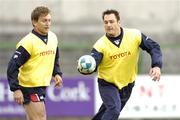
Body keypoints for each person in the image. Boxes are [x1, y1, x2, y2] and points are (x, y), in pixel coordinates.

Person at [78, 9, 162, 120]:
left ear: (119, 22)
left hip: (127, 85)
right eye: (106, 22)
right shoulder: (100, 45)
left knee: (106, 113)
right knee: (114, 110)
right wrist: (83, 68)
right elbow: (93, 62)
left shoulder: (134, 35)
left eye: (111, 21)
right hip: (107, 84)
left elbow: (154, 47)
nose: (108, 25)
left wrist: (156, 65)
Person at [7, 6, 63, 120]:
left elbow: (54, 58)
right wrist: (16, 89)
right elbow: (12, 66)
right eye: (44, 20)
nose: (47, 23)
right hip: (29, 87)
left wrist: (56, 73)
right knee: (40, 117)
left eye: (49, 20)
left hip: (42, 85)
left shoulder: (53, 37)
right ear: (34, 22)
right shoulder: (27, 42)